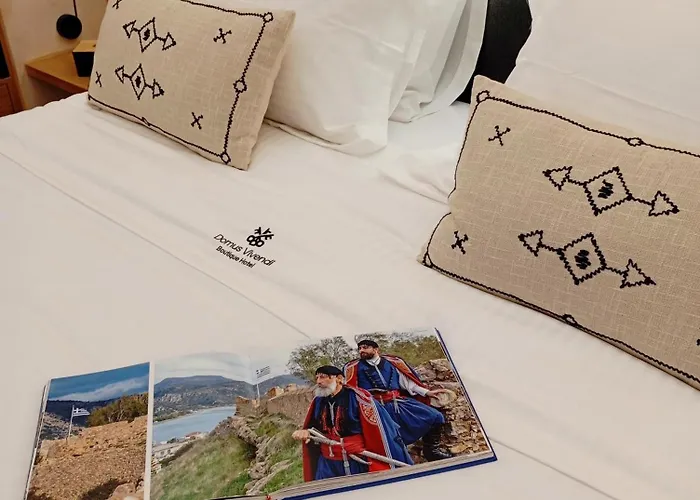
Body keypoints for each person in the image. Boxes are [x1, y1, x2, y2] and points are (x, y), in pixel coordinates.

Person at [292, 365, 413, 482]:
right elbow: (312, 426)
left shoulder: (359, 398)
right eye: (317, 378)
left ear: (339, 379)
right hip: (328, 464)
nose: (318, 381)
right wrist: (306, 431)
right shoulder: (318, 401)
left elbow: (378, 429)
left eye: (323, 377)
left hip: (357, 460)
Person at [343, 339, 453, 461]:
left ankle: (431, 450)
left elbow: (408, 383)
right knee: (390, 436)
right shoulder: (354, 368)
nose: (361, 351)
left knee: (436, 416)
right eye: (359, 348)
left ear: (376, 349)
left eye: (365, 347)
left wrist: (427, 392)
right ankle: (399, 460)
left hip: (397, 402)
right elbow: (351, 391)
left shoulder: (393, 362)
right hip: (376, 408)